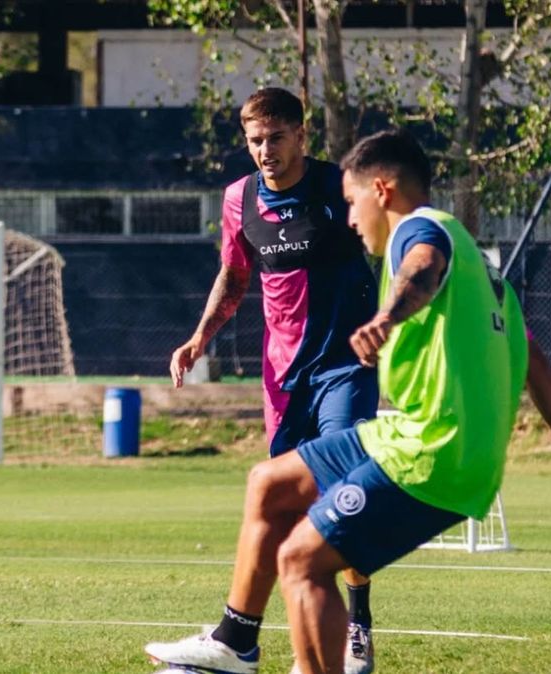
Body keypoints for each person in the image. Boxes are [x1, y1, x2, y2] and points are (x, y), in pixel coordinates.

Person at [151, 129, 551, 674]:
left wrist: (388, 315)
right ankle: (235, 640)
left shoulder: (419, 230)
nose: (350, 219)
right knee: (269, 483)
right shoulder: (487, 274)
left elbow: (423, 264)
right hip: (411, 438)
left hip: (432, 452)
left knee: (301, 561)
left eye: (352, 203)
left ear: (381, 191)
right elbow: (538, 369)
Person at [162, 87, 381, 672]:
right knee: (287, 512)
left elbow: (388, 252)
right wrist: (198, 339)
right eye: (255, 140)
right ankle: (276, 641)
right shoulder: (238, 200)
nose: (265, 150)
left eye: (276, 137)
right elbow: (234, 279)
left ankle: (357, 630)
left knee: (347, 496)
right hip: (283, 382)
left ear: (301, 135)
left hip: (345, 370)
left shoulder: (340, 187)